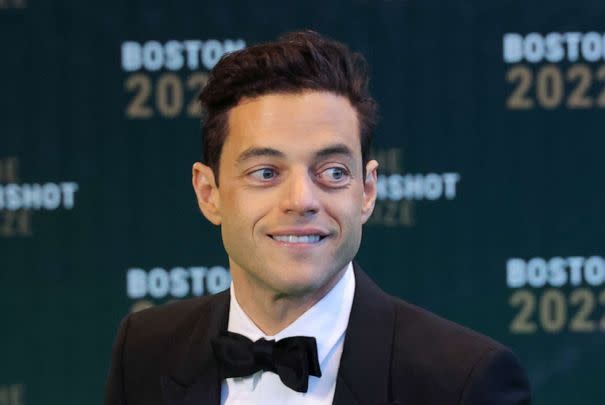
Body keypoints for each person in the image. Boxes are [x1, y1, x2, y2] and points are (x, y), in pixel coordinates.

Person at [105, 30, 531, 405]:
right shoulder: (144, 350)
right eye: (266, 173)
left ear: (366, 191)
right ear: (209, 193)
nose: (302, 200)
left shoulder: (465, 381)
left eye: (332, 172)